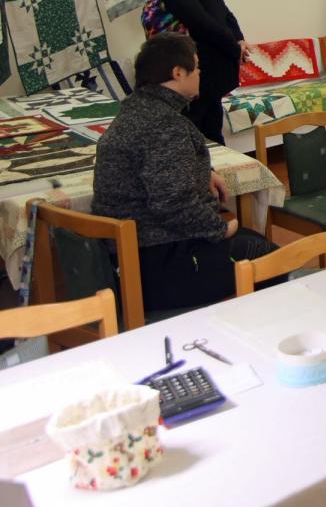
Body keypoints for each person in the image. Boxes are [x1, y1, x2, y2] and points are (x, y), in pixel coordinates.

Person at [91, 34, 278, 311]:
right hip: (158, 266)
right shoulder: (164, 124)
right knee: (271, 259)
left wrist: (203, 171)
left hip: (133, 259)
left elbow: (156, 166)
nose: (200, 73)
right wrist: (219, 229)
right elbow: (173, 203)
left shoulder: (137, 109)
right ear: (178, 72)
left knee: (255, 243)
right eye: (197, 66)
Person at [129, 0, 248, 144]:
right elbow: (225, 12)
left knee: (198, 135)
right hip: (214, 64)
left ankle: (206, 167)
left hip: (202, 69)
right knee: (211, 130)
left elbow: (202, 24)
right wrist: (238, 40)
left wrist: (235, 49)